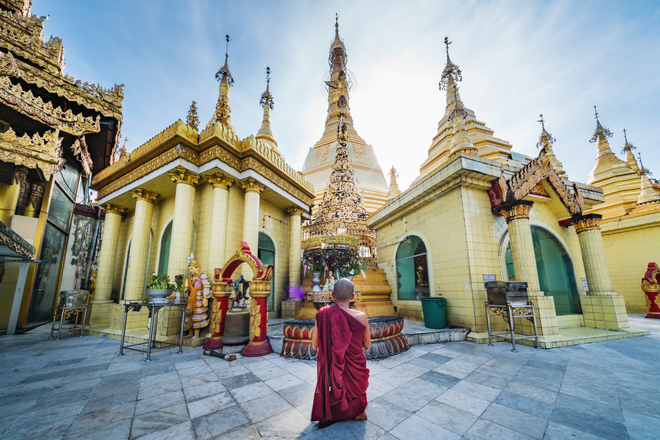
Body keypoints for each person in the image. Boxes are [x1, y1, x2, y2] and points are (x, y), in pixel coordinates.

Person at [311, 278, 371, 428]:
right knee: (355, 387)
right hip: (355, 363)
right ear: (353, 297)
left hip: (333, 365)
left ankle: (335, 411)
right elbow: (367, 346)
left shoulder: (323, 314)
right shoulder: (362, 317)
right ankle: (357, 412)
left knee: (335, 381)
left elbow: (314, 344)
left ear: (332, 295)